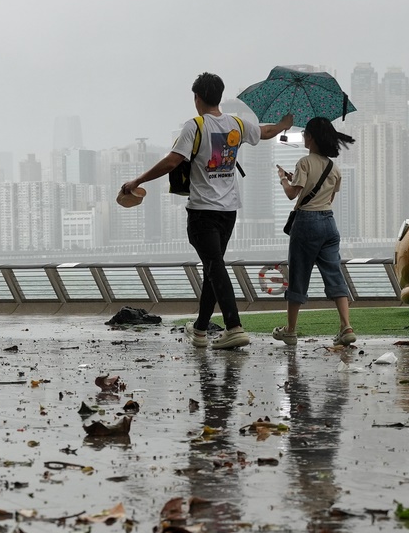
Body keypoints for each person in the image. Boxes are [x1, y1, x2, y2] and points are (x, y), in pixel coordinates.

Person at [120, 73, 293, 350]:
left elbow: (172, 162)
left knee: (215, 267)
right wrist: (285, 123)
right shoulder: (237, 124)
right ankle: (200, 330)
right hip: (229, 212)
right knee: (215, 267)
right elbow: (266, 132)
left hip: (202, 212)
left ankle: (234, 326)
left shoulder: (194, 126)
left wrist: (137, 181)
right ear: (219, 97)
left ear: (197, 98)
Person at [272, 116, 357, 346]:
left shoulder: (304, 163)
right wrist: (297, 181)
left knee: (299, 275)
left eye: (305, 134)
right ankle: (346, 327)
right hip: (329, 223)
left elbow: (292, 194)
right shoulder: (334, 167)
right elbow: (327, 197)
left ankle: (290, 330)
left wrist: (283, 179)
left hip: (306, 223)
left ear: (311, 137)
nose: (303, 138)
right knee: (334, 274)